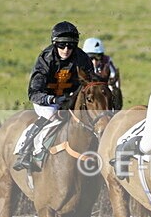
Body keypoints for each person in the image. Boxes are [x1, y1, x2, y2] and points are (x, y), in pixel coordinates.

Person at [13, 21, 96, 171]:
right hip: (46, 99)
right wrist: (52, 100)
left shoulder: (82, 58)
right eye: (61, 45)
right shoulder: (46, 59)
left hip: (70, 98)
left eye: (70, 46)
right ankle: (25, 151)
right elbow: (34, 92)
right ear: (54, 44)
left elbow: (91, 84)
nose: (66, 49)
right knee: (51, 114)